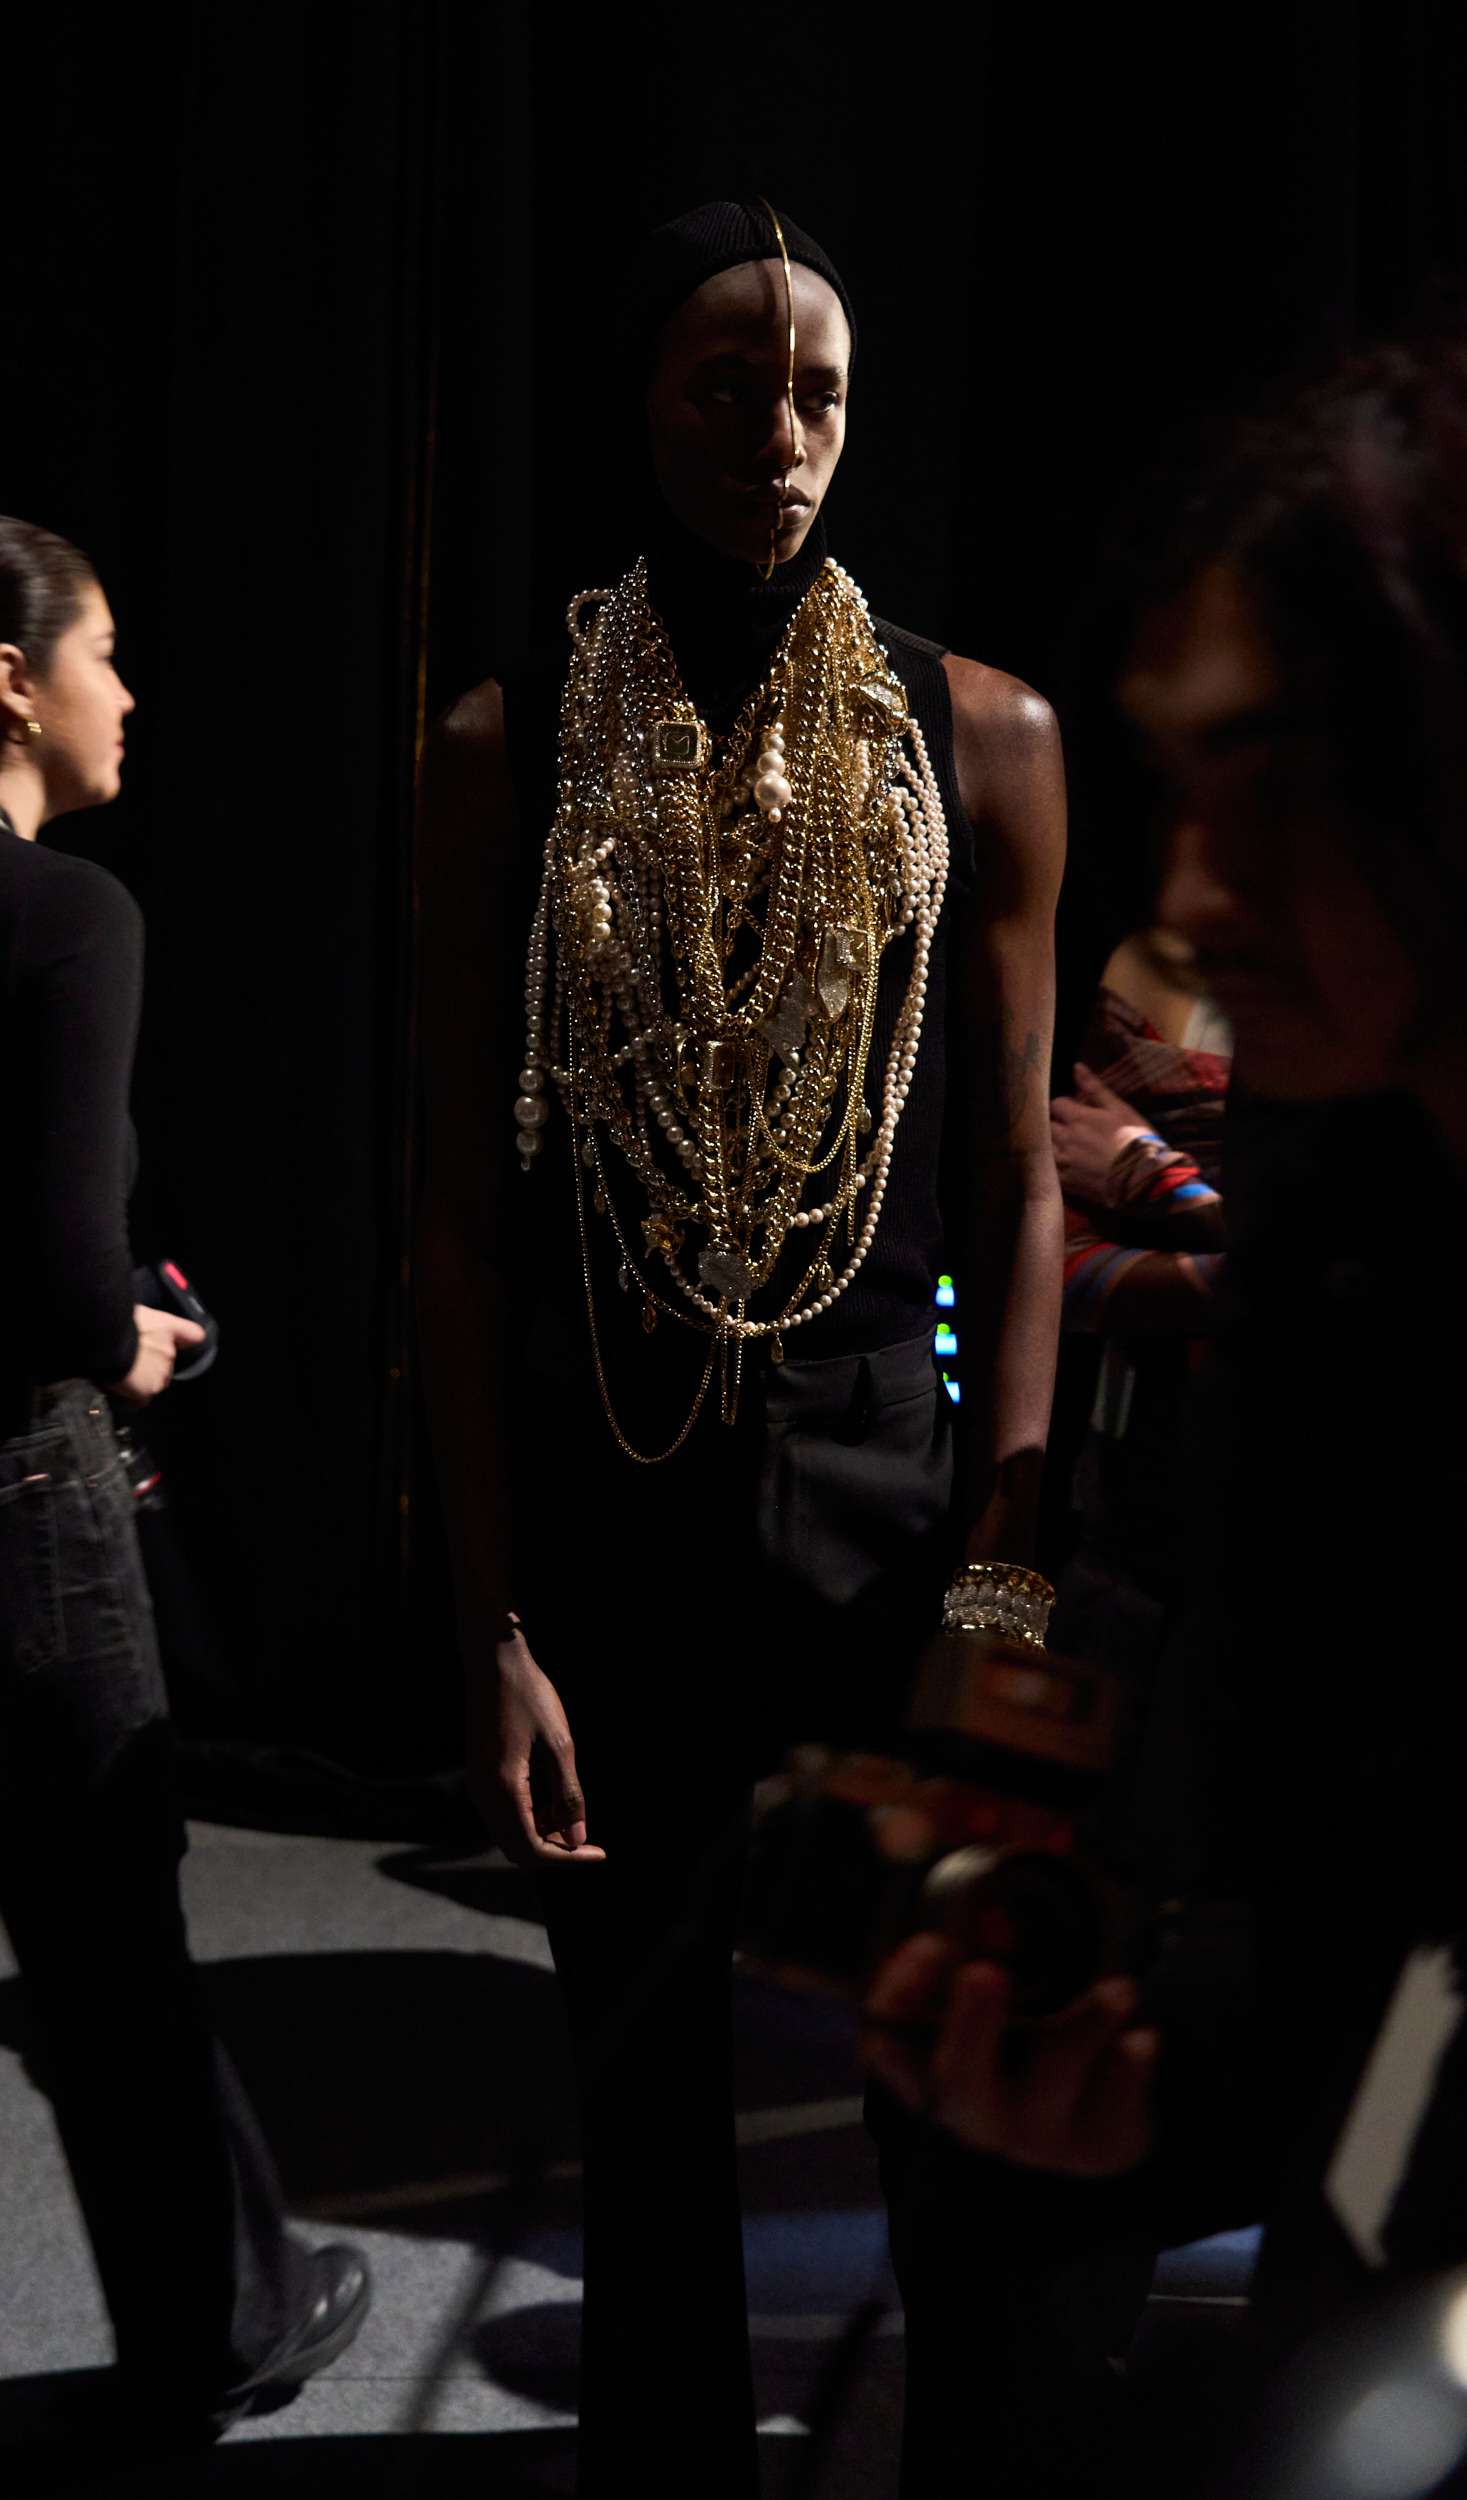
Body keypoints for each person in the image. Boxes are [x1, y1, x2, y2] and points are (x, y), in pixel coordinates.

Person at [415, 201, 1065, 2496]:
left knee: (930, 2071)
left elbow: (1013, 1172)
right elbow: (469, 1220)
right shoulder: (517, 744)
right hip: (621, 1514)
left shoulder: (976, 737)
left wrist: (1003, 1567)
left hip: (894, 1524)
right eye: (724, 386)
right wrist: (493, 1621)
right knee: (640, 2085)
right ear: (641, 400)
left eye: (818, 394)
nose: (778, 438)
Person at [864, 340, 1467, 2495]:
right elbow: (1398, 1992)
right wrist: (1136, 2116)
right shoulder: (1335, 1297)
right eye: (1173, 787)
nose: (1192, 893)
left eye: (1259, 790)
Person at [0, 516, 369, 2438]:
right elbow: (56, 1276)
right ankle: (219, 2328)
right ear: (9, 681)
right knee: (106, 1952)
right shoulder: (67, 915)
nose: (130, 694)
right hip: (4, 1523)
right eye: (105, 652)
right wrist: (150, 1328)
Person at [1049, 928, 1230, 1679]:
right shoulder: (1160, 962)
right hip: (1129, 1524)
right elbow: (1059, 1272)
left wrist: (1156, 1177)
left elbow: (1349, 1289)